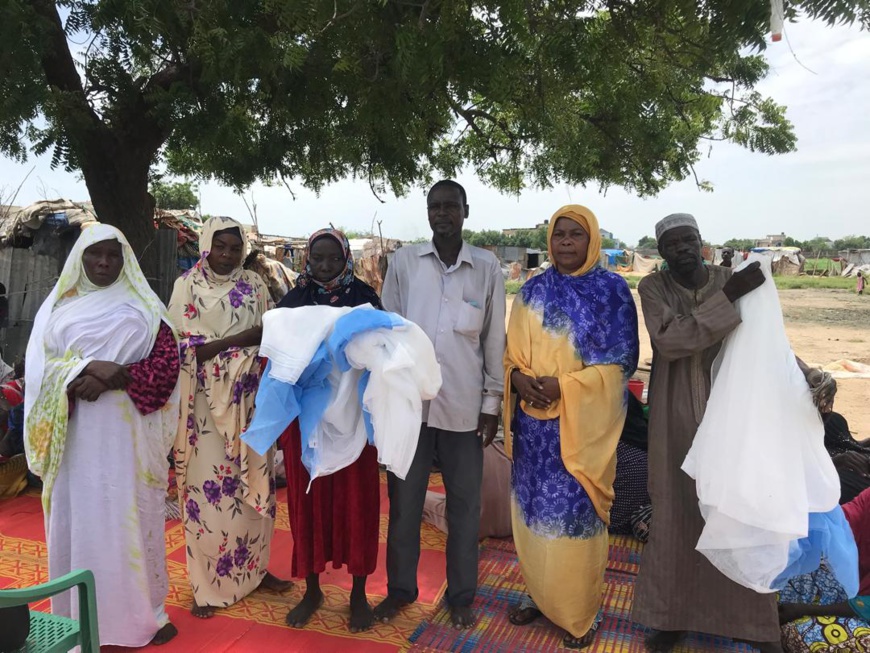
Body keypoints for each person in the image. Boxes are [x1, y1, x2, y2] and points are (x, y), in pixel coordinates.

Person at [631, 213, 837, 653]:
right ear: (662, 251)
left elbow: (767, 343)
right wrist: (728, 298)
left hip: (739, 419)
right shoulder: (654, 288)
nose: (682, 249)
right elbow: (670, 341)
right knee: (677, 515)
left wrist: (809, 375)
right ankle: (672, 619)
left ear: (702, 242)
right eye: (672, 243)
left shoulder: (733, 277)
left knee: (741, 513)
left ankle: (753, 624)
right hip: (677, 420)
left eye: (690, 240)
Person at [24, 224, 181, 646]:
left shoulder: (146, 308)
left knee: (129, 518)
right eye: (96, 255)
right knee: (82, 521)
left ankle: (144, 616)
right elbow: (39, 372)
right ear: (80, 258)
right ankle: (78, 617)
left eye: (113, 255)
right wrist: (87, 369)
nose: (104, 263)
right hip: (74, 439)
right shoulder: (58, 308)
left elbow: (168, 366)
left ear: (125, 258)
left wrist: (116, 379)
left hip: (127, 438)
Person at [502, 205, 638, 649]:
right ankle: (539, 596)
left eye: (574, 235)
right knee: (534, 514)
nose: (564, 242)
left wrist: (565, 388)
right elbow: (511, 355)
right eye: (558, 234)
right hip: (534, 430)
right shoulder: (532, 291)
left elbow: (619, 368)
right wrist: (518, 379)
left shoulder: (613, 293)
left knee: (574, 520)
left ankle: (580, 614)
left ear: (591, 239)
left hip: (581, 431)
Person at [375, 179, 506, 629]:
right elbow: (386, 330)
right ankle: (400, 591)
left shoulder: (487, 268)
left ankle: (462, 595)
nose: (442, 213)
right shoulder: (406, 262)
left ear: (466, 211)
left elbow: (494, 339)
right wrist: (388, 398)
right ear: (427, 212)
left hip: (465, 409)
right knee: (404, 502)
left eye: (451, 206)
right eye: (435, 206)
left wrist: (492, 404)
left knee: (465, 506)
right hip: (411, 407)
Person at [168, 216, 290, 619]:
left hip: (249, 403)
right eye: (220, 246)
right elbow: (178, 344)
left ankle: (254, 572)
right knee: (209, 495)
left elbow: (267, 334)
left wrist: (225, 348)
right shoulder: (186, 286)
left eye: (234, 248)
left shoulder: (254, 284)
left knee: (254, 492)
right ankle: (208, 585)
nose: (226, 254)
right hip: (203, 410)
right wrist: (230, 347)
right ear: (206, 244)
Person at [275, 228, 383, 632]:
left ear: (345, 260)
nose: (323, 266)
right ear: (307, 260)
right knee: (310, 504)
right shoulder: (294, 300)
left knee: (357, 505)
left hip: (354, 417)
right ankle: (312, 590)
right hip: (309, 420)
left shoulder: (365, 298)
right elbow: (278, 352)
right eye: (317, 259)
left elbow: (383, 352)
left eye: (332, 260)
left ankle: (358, 595)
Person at [779, 486, 870, 625]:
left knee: (811, 636)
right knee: (783, 579)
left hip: (862, 611)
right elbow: (838, 525)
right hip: (854, 590)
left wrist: (805, 610)